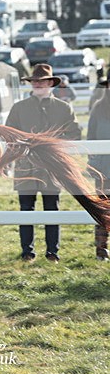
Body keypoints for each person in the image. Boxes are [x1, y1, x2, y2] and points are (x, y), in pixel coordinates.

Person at [5, 63, 81, 263]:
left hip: (52, 168)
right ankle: (27, 252)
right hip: (26, 167)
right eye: (35, 81)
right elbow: (9, 133)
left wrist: (54, 144)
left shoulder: (64, 108)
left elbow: (74, 134)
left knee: (52, 210)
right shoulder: (19, 108)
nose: (38, 84)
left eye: (42, 81)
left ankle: (52, 252)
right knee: (25, 210)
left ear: (50, 83)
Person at [86, 89, 110, 261]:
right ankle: (101, 250)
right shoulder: (98, 108)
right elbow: (91, 138)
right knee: (102, 208)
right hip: (104, 170)